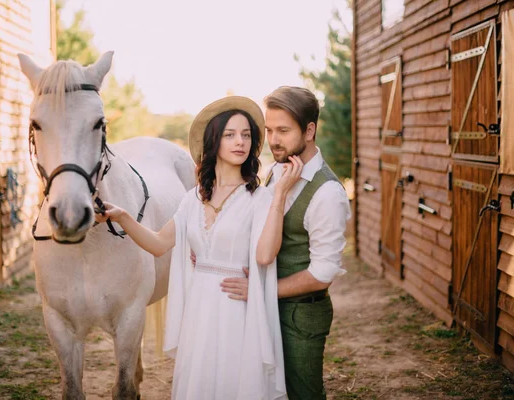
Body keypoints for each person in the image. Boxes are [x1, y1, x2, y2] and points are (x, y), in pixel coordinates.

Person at [95, 96, 302, 399]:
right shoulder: (193, 198)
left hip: (237, 308)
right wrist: (123, 217)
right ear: (214, 141)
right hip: (199, 308)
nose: (240, 142)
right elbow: (158, 244)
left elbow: (265, 255)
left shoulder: (260, 199)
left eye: (246, 135)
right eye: (230, 135)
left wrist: (280, 195)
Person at [220, 86, 351, 400]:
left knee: (303, 394)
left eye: (283, 130)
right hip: (266, 308)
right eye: (268, 130)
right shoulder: (278, 171)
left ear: (309, 130)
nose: (273, 140)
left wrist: (260, 290)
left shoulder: (327, 194)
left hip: (300, 317)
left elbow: (322, 273)